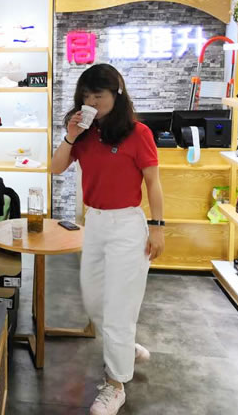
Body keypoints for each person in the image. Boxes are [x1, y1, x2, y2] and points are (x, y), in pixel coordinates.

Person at [51, 63, 164, 415]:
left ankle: (115, 385)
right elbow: (55, 168)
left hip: (127, 226)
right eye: (86, 96)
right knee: (94, 300)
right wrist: (70, 136)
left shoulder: (138, 133)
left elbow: (153, 182)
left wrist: (158, 226)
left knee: (118, 308)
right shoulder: (84, 134)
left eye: (97, 96)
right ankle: (124, 349)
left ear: (117, 94)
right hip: (95, 223)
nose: (91, 103)